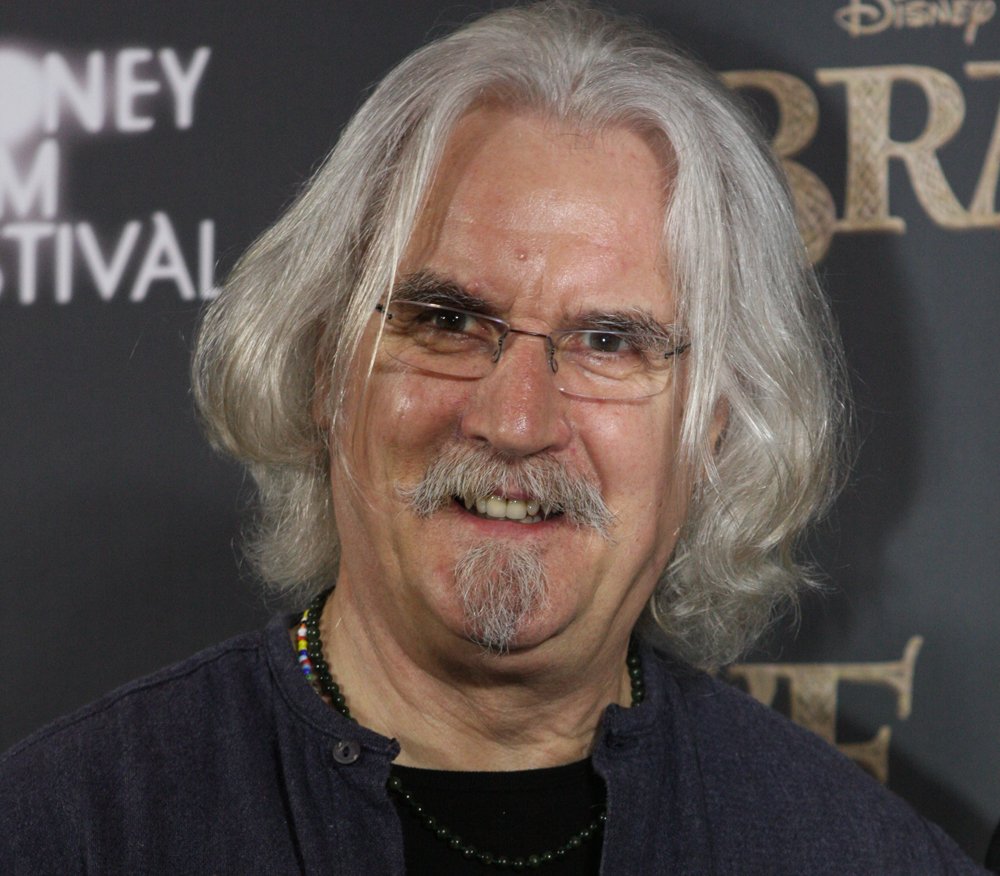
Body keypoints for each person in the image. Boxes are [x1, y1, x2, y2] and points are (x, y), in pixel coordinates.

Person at [0, 2, 987, 873]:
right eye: (445, 321)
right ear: (320, 367)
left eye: (607, 342)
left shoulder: (844, 851)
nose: (515, 421)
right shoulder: (69, 831)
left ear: (713, 425)